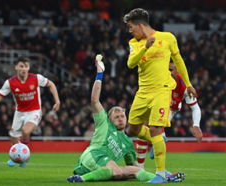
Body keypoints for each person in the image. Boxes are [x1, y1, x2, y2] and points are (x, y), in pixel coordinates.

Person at [66, 54, 184, 183]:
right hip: (91, 157)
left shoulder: (128, 143)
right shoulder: (104, 124)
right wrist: (99, 74)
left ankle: (164, 178)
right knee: (116, 171)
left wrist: (155, 172)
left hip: (105, 168)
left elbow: (136, 168)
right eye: (116, 117)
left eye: (122, 116)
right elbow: (94, 100)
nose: (121, 119)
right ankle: (81, 179)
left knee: (134, 171)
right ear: (110, 119)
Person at [123, 8, 197, 183]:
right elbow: (130, 63)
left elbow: (179, 61)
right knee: (132, 129)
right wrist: (145, 48)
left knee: (155, 128)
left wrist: (188, 84)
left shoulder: (168, 37)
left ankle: (161, 174)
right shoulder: (134, 43)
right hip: (143, 92)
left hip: (162, 90)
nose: (130, 30)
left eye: (131, 26)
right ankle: (159, 139)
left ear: (140, 25)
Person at [0, 57, 60, 167]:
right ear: (16, 67)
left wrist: (57, 101)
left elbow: (51, 84)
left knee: (25, 131)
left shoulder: (36, 78)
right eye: (21, 66)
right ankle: (17, 158)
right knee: (13, 138)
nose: (24, 69)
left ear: (29, 67)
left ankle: (24, 157)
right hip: (19, 112)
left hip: (34, 111)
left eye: (26, 66)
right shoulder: (10, 82)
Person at [136, 62, 203, 170]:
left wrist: (196, 125)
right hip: (155, 104)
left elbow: (195, 108)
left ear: (178, 71)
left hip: (172, 108)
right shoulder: (158, 79)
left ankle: (159, 141)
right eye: (165, 69)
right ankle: (140, 167)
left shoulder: (185, 85)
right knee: (143, 129)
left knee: (150, 127)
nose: (167, 72)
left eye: (171, 70)